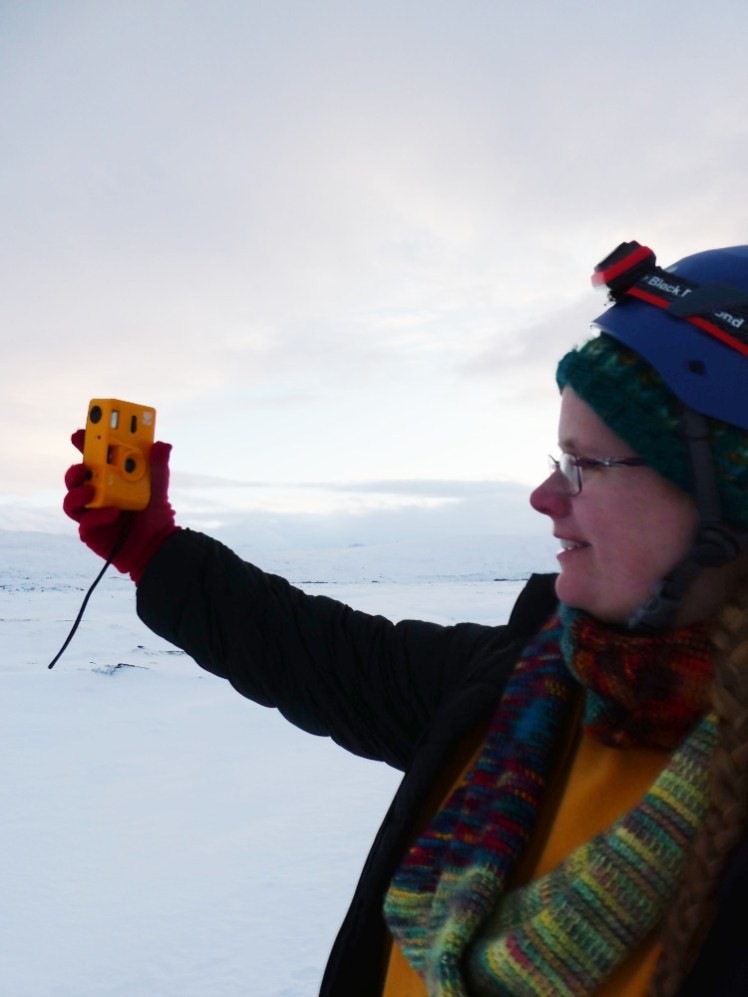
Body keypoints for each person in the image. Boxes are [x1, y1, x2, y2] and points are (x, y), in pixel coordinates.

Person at [63, 240, 748, 996]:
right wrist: (155, 551)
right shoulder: (528, 684)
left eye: (584, 465)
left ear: (725, 500)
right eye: (558, 459)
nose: (545, 498)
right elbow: (331, 657)